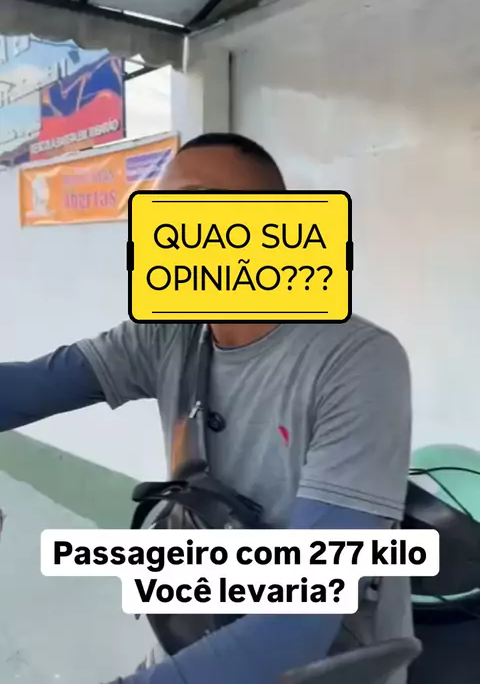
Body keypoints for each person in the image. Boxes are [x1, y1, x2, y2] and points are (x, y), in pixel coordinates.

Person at [0, 133, 412, 684]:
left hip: (324, 664)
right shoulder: (168, 333)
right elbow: (33, 386)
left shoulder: (357, 361)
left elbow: (302, 618)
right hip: (200, 632)